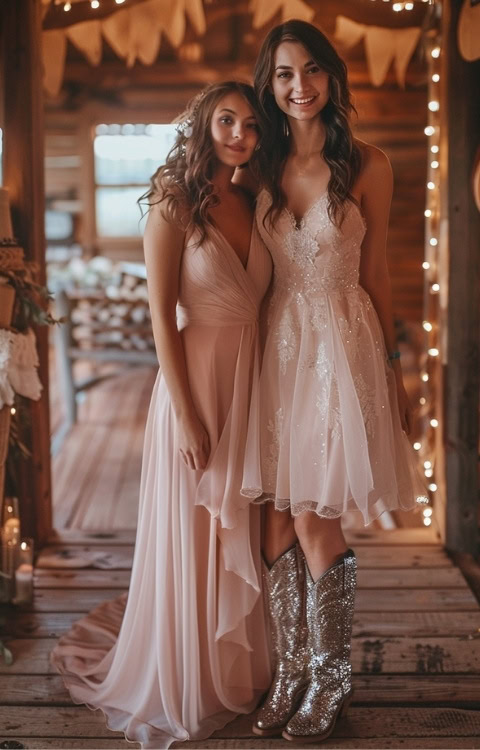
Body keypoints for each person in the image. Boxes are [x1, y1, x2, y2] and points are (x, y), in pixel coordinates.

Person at [51, 81, 272, 749]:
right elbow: (161, 321)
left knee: (244, 529)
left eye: (250, 123)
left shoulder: (258, 200)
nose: (238, 132)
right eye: (225, 119)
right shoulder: (172, 203)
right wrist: (186, 412)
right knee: (196, 528)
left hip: (253, 382)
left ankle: (236, 667)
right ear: (202, 127)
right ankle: (186, 677)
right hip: (195, 383)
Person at [240, 20, 428, 743]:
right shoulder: (259, 165)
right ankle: (288, 673)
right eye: (285, 74)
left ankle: (330, 681)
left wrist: (393, 366)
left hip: (339, 348)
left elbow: (377, 269)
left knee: (317, 515)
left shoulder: (370, 165)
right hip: (274, 348)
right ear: (270, 83)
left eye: (312, 70)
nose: (300, 86)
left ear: (332, 77)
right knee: (271, 519)